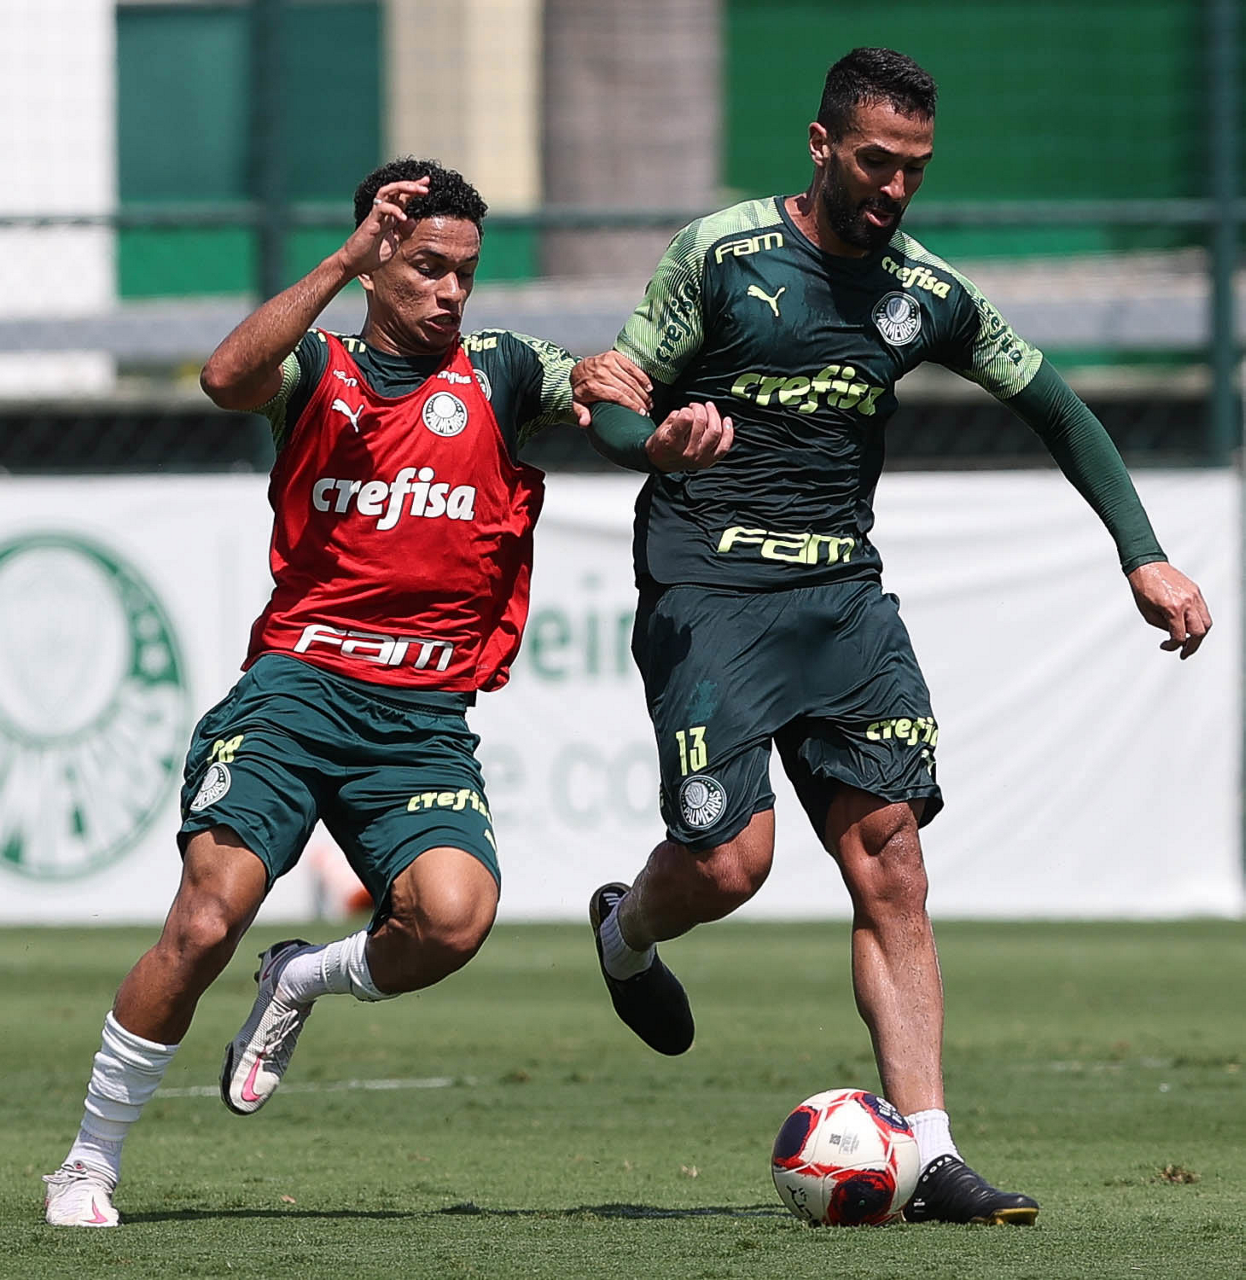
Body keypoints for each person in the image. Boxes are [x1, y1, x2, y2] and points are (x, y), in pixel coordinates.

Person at [570, 47, 1212, 1225]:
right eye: (875, 161)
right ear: (821, 146)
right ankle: (625, 930)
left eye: (914, 166)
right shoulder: (718, 254)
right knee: (730, 864)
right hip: (707, 591)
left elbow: (1057, 407)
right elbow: (611, 394)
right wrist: (649, 441)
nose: (896, 187)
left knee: (893, 862)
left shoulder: (925, 289)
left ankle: (931, 1152)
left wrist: (1142, 551)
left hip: (843, 600)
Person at [40, 155, 658, 1228]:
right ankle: (87, 1163)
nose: (450, 291)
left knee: (453, 921)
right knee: (204, 921)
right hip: (295, 693)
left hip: (421, 721)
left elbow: (594, 399)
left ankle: (301, 979)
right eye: (426, 268)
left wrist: (634, 411)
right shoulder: (315, 367)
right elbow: (224, 378)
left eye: (465, 272)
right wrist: (337, 261)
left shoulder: (502, 370)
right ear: (376, 265)